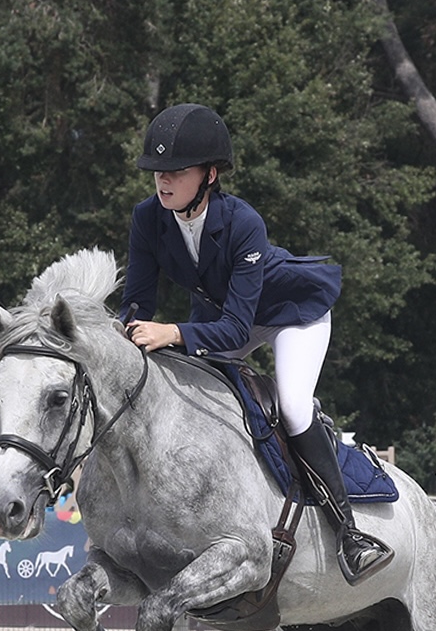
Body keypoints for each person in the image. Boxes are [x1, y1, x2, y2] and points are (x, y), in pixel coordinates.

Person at [120, 103, 391, 584]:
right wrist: (124, 335)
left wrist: (174, 333)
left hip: (289, 314)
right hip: (222, 315)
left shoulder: (243, 222)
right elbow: (137, 303)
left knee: (293, 406)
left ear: (209, 175)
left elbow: (234, 330)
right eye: (158, 171)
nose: (163, 180)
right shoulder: (148, 218)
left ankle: (349, 534)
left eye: (177, 171)